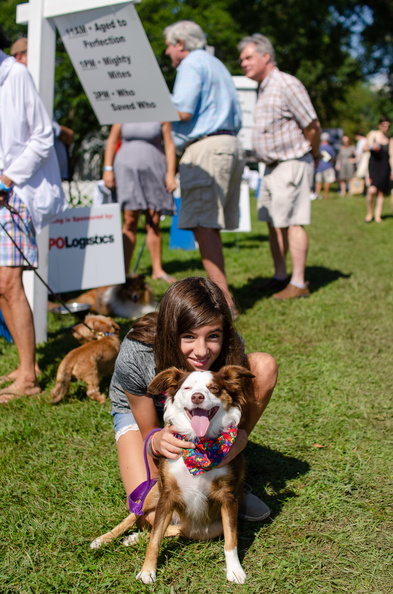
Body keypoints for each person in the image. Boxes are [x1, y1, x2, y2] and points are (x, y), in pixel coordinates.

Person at [109, 276, 278, 522]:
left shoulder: (231, 346)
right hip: (144, 411)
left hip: (203, 408)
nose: (201, 351)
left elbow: (232, 394)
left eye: (213, 336)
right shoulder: (137, 351)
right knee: (152, 515)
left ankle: (228, 480)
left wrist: (241, 436)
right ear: (170, 330)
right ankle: (211, 482)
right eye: (188, 336)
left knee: (264, 365)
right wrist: (157, 441)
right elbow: (151, 432)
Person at [0, 28, 65, 403]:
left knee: (9, 282)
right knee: (0, 284)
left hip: (15, 192)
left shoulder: (16, 75)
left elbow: (43, 135)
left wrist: (8, 178)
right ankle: (29, 366)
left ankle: (28, 377)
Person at [164, 21, 244, 313]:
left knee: (203, 225)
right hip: (230, 144)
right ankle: (224, 295)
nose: (168, 51)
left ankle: (224, 303)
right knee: (208, 224)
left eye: (170, 45)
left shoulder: (190, 64)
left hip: (206, 147)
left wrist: (153, 105)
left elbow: (182, 109)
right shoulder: (216, 64)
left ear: (181, 43)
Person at [238, 34, 321, 300]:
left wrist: (314, 154)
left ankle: (299, 283)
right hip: (271, 167)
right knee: (273, 223)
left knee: (293, 222)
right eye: (241, 59)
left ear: (266, 56)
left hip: (292, 162)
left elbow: (312, 125)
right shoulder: (264, 87)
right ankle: (280, 276)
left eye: (248, 57)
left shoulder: (286, 83)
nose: (243, 63)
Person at [103, 122, 177, 280]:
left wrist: (170, 174)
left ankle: (158, 270)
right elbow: (111, 141)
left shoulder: (160, 113)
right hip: (126, 173)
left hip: (154, 170)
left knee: (153, 221)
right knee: (129, 221)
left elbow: (169, 145)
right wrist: (107, 169)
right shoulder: (123, 111)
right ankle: (123, 272)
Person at [10, 37, 75, 182]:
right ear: (20, 56)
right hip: (30, 177)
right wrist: (61, 131)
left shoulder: (33, 82)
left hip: (49, 176)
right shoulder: (15, 82)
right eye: (33, 55)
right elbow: (32, 129)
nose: (39, 60)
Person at [363, 116, 393, 223]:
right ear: (379, 125)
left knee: (381, 193)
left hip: (385, 168)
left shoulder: (390, 139)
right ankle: (369, 213)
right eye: (384, 125)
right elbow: (364, 148)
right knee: (372, 190)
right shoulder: (373, 135)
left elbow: (391, 156)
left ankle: (377, 215)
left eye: (388, 126)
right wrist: (372, 146)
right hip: (374, 167)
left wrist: (392, 170)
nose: (386, 128)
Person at [315, 132, 336, 199]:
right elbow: (333, 157)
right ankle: (326, 194)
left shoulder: (318, 146)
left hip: (319, 166)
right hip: (327, 166)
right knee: (327, 181)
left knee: (318, 182)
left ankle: (317, 194)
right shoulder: (330, 147)